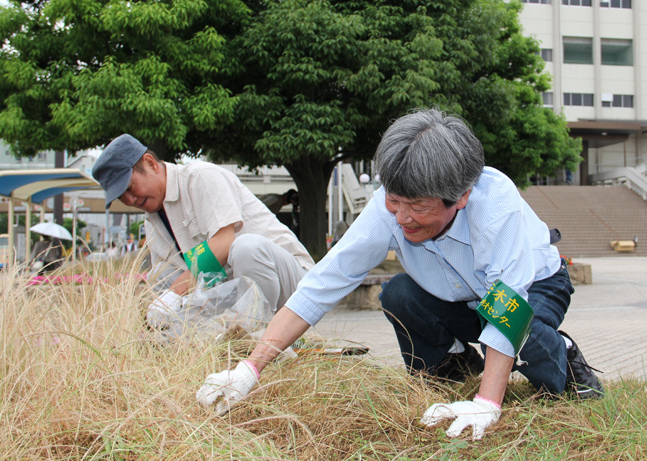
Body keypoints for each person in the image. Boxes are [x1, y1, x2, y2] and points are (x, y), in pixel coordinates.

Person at [195, 108, 604, 440]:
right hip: (460, 296)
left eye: (418, 206)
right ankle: (452, 368)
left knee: (528, 341)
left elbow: (508, 304)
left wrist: (489, 403)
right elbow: (327, 280)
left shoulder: (495, 205)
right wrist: (249, 368)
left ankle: (563, 357)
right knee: (398, 293)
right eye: (394, 200)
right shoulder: (386, 207)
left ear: (461, 196)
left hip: (532, 288)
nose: (403, 218)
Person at [91, 134, 314, 327]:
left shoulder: (200, 177)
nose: (130, 199)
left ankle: (270, 337)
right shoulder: (152, 221)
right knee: (160, 275)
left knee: (245, 247)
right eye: (122, 197)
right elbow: (171, 279)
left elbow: (225, 242)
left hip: (292, 286)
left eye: (130, 188)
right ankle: (234, 337)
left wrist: (176, 291)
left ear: (150, 163)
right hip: (234, 293)